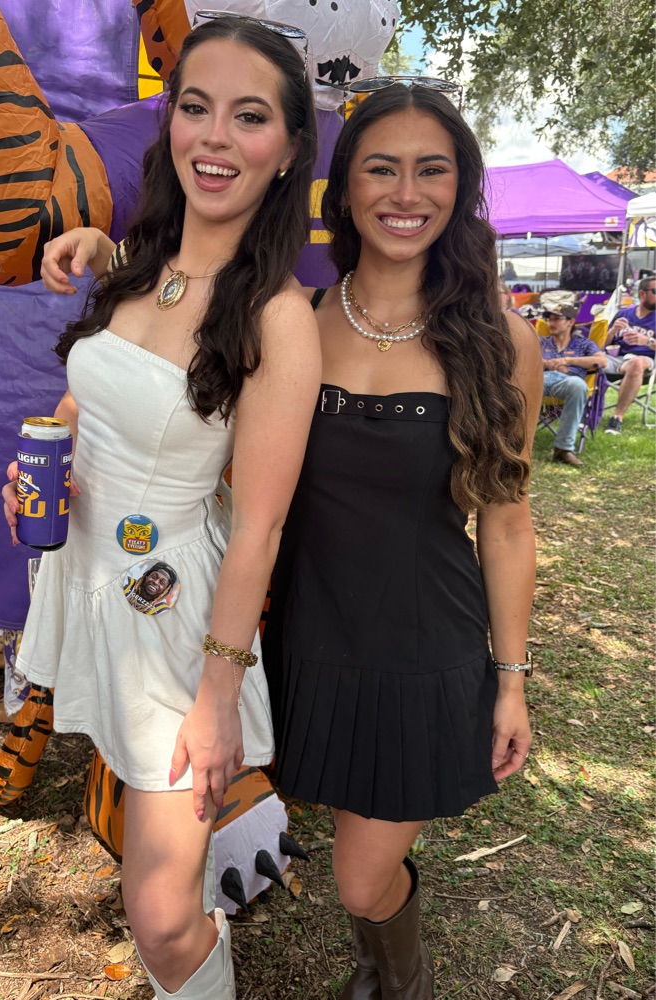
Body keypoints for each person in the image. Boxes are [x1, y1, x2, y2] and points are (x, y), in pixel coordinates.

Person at [2, 16, 320, 999]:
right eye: (195, 107)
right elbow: (93, 403)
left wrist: (218, 701)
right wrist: (40, 479)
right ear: (169, 121)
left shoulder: (277, 317)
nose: (215, 137)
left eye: (249, 117)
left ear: (288, 151)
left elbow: (259, 525)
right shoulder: (139, 263)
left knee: (164, 916)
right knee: (153, 896)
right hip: (87, 582)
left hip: (170, 627)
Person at [261, 81, 542, 998]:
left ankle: (400, 980)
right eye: (381, 168)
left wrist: (510, 681)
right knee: (349, 831)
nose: (406, 193)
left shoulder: (501, 340)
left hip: (423, 645)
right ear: (343, 188)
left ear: (460, 189)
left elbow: (506, 521)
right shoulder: (291, 321)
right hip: (304, 636)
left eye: (433, 170)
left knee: (357, 876)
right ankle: (380, 972)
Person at [539, 303, 607, 466]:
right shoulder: (541, 342)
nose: (551, 323)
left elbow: (602, 361)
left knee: (578, 386)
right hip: (540, 380)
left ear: (571, 322)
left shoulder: (583, 344)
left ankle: (563, 449)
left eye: (557, 319)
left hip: (568, 382)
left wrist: (568, 361)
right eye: (549, 319)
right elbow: (523, 356)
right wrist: (547, 363)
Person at [603, 275, 656, 434]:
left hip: (645, 360)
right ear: (642, 294)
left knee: (637, 363)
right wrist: (612, 332)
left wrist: (647, 341)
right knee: (589, 359)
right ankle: (583, 412)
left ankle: (617, 418)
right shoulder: (623, 313)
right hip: (616, 358)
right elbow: (601, 345)